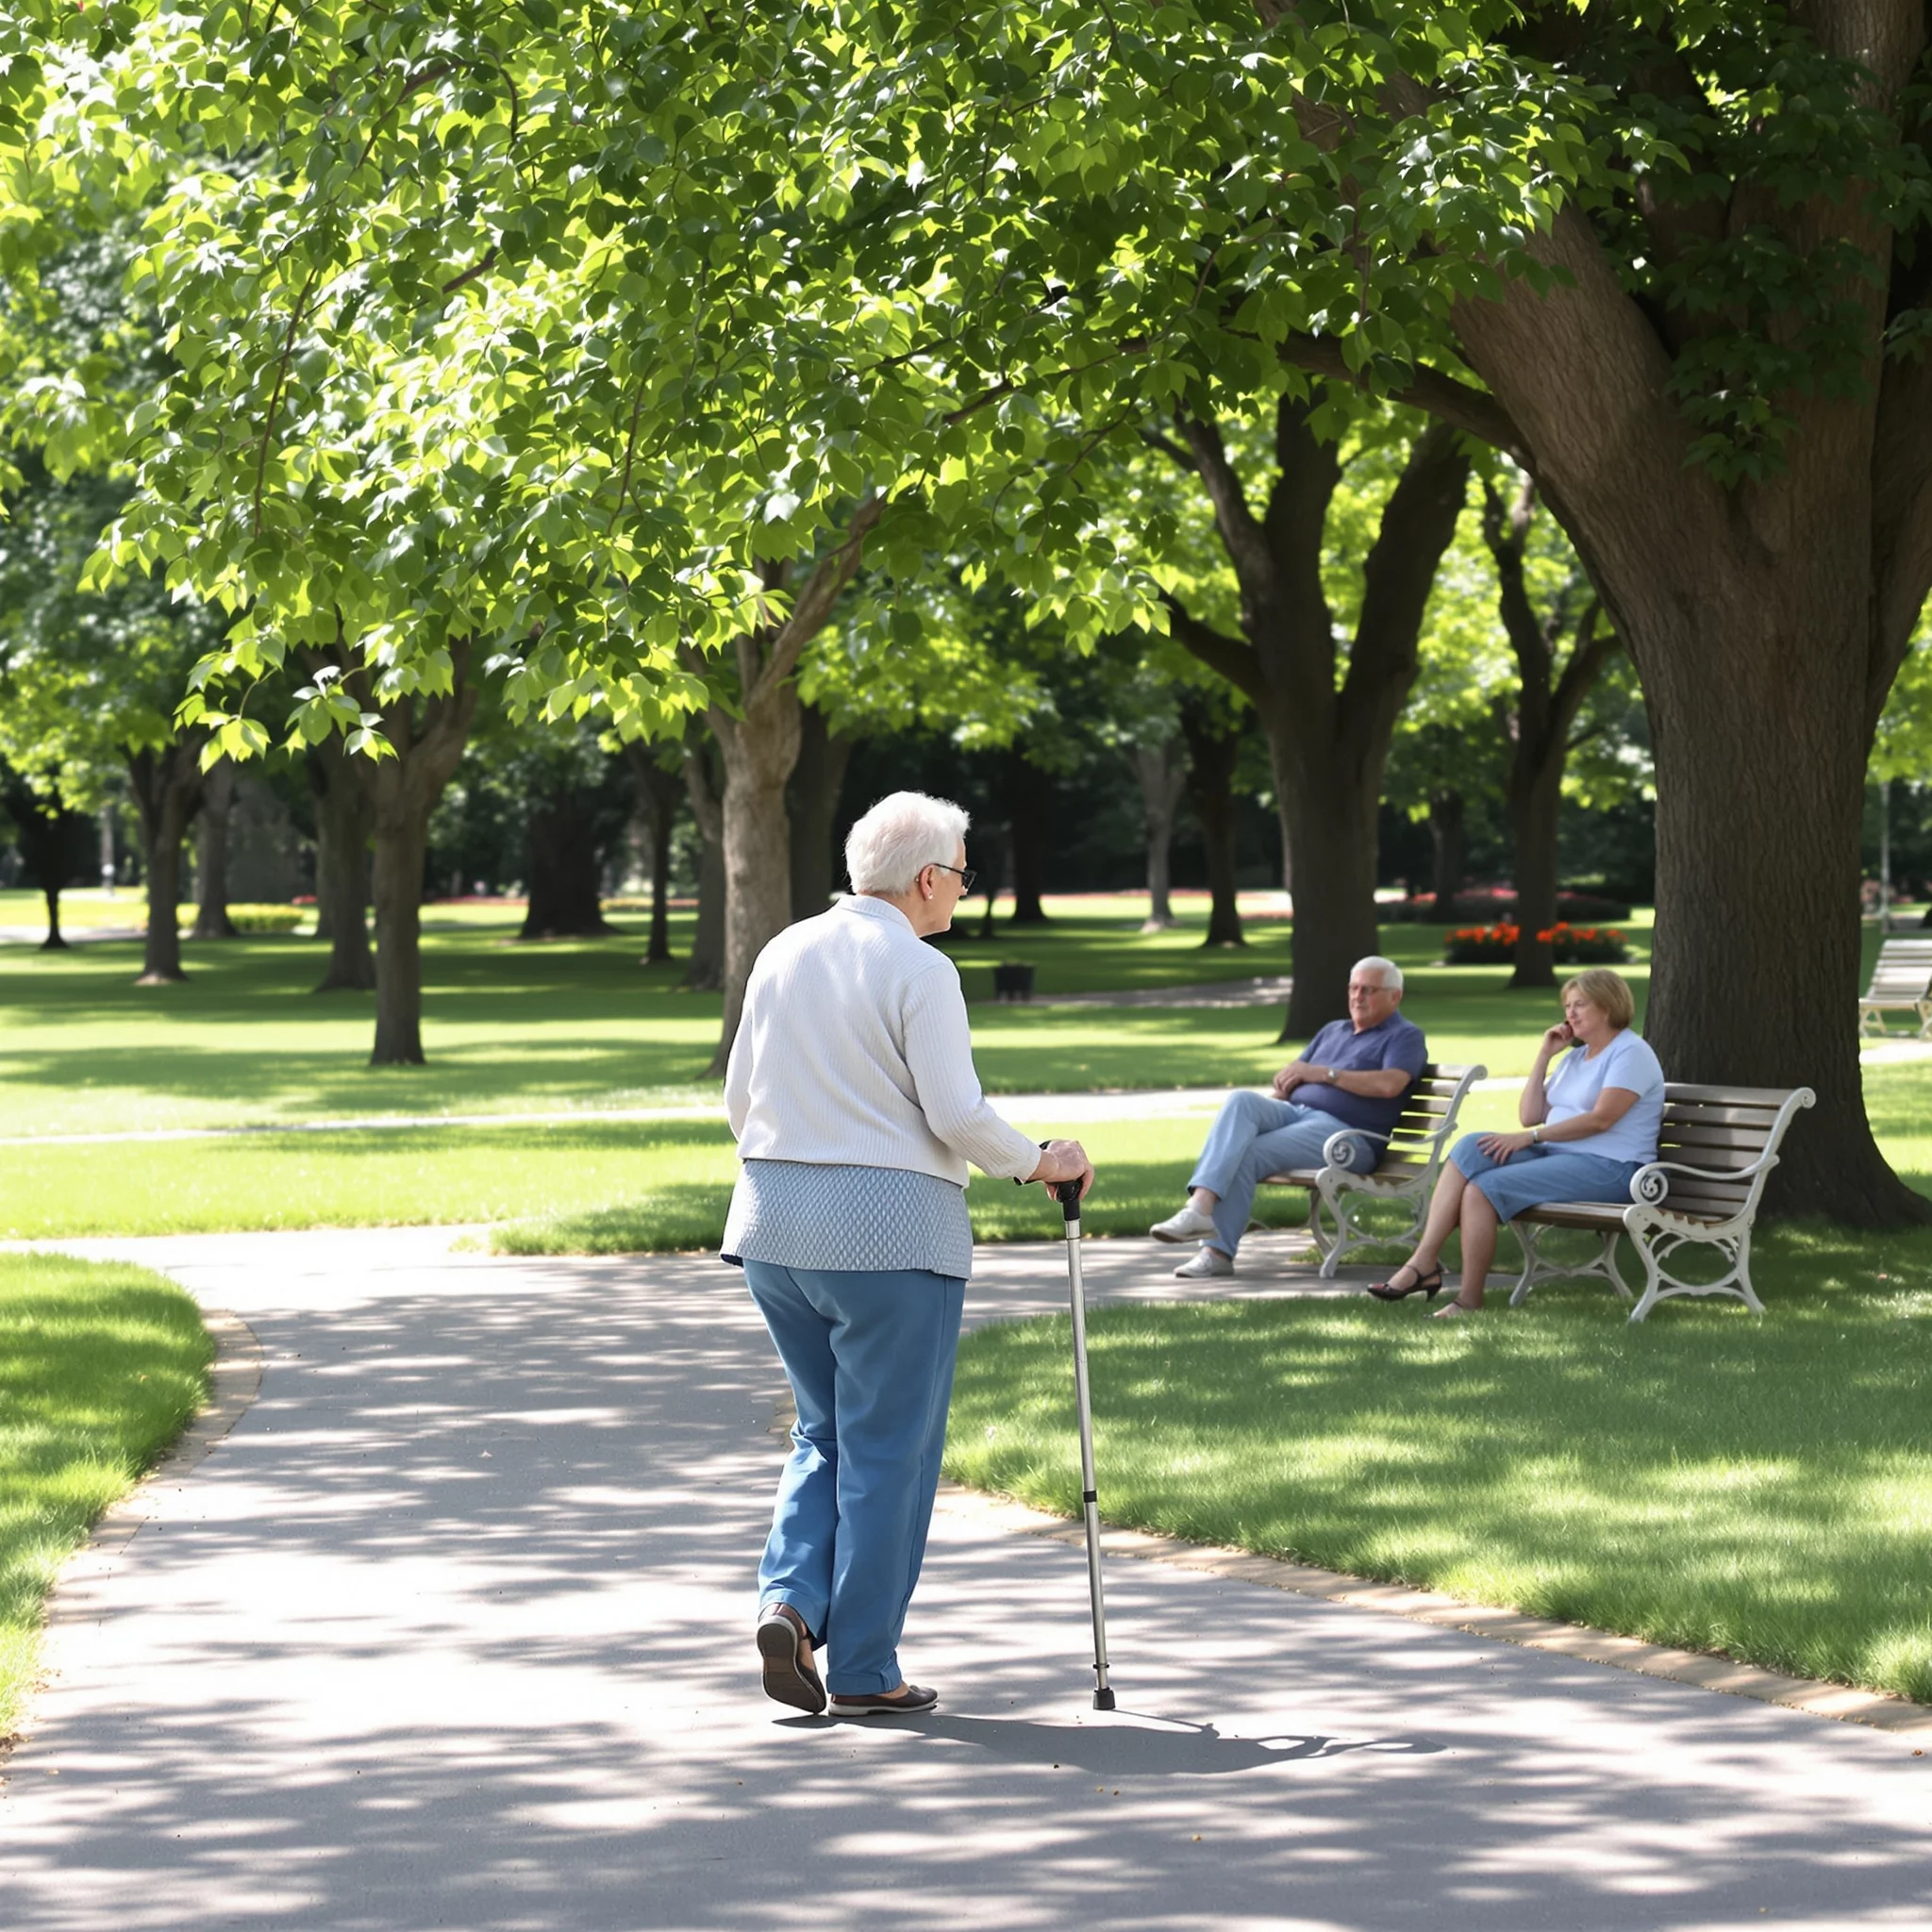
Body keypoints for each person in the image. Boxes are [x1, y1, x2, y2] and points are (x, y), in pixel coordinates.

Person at [722, 790, 1092, 1718]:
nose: (961, 893)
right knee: (888, 1447)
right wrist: (1035, 1160)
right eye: (962, 875)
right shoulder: (920, 968)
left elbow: (739, 1096)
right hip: (887, 1234)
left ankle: (790, 1601)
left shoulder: (780, 950)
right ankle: (864, 1664)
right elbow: (956, 1112)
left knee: (822, 1429)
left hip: (772, 1223)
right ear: (927, 877)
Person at [1368, 967, 1663, 1318]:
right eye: (1567, 1005)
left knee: (1483, 1188)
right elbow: (1530, 1114)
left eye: (1579, 1004)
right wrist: (1544, 1055)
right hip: (1562, 1154)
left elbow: (1601, 1119)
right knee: (1469, 1148)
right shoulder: (1574, 1057)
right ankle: (1424, 1260)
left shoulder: (1630, 1053)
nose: (1569, 1013)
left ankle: (1469, 1300)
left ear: (1607, 1006)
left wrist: (1531, 1138)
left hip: (1614, 1168)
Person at [1148, 958, 1426, 1278]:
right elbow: (1296, 1076)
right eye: (1353, 988)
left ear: (1395, 996)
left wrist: (1326, 1074)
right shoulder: (1333, 1030)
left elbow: (1389, 1084)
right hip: (1297, 1114)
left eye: (1369, 990)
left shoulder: (1404, 1036)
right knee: (1242, 1101)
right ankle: (1199, 1207)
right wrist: (1284, 1087)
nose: (1357, 996)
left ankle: (1216, 1253)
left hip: (1347, 1137)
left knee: (1247, 1153)